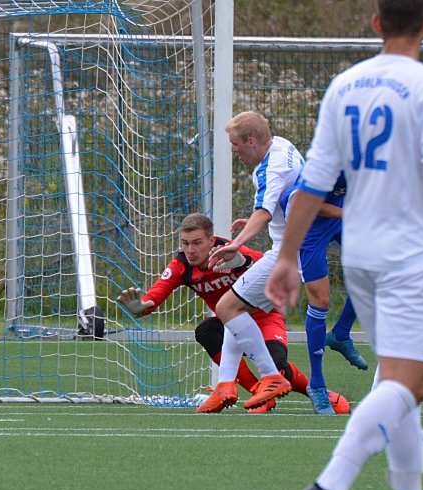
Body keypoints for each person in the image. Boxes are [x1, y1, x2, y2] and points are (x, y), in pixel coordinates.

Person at [266, 0, 423, 490]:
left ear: (377, 23)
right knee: (408, 383)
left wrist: (286, 256)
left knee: (397, 380)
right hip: (409, 254)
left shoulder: (345, 85)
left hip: (360, 252)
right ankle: (328, 489)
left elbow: (312, 181)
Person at [116, 213, 349, 414]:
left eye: (197, 243)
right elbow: (157, 292)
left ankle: (315, 391)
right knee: (206, 330)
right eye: (185, 243)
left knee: (279, 369)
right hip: (230, 324)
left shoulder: (230, 250)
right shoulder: (181, 265)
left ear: (211, 241)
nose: (190, 250)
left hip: (265, 318)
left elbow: (270, 265)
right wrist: (144, 306)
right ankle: (258, 392)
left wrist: (244, 261)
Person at [206, 112, 302, 412]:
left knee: (226, 307)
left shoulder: (271, 169)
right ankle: (225, 384)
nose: (232, 149)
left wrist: (237, 243)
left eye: (235, 143)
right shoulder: (282, 146)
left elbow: (265, 211)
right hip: (298, 248)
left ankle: (271, 376)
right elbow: (284, 203)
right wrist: (255, 222)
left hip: (289, 254)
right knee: (236, 310)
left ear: (251, 141)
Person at [280, 173, 369, 416]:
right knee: (321, 300)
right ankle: (317, 384)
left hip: (337, 216)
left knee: (371, 271)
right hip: (307, 222)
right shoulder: (329, 163)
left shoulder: (371, 157)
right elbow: (309, 202)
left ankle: (340, 334)